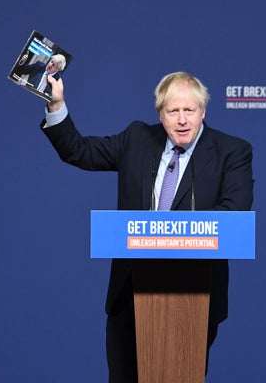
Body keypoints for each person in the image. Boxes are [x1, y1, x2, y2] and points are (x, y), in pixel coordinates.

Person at [40, 71, 254, 382]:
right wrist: (56, 104)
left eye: (189, 110)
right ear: (160, 114)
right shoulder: (137, 139)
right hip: (130, 293)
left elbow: (234, 215)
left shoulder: (232, 151)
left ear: (203, 111)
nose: (182, 120)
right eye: (173, 111)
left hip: (194, 295)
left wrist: (171, 235)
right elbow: (79, 151)